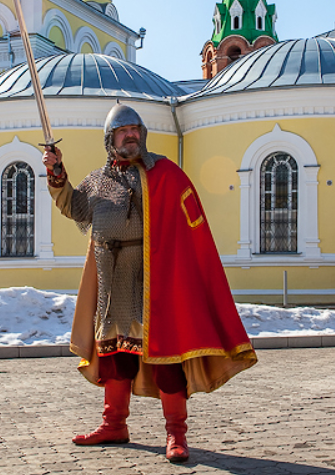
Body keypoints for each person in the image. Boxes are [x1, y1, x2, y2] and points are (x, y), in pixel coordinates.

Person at [42, 103, 256, 463]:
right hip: (112, 281)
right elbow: (75, 208)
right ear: (111, 139)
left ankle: (176, 434)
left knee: (165, 361)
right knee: (115, 358)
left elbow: (189, 231)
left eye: (135, 130)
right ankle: (114, 424)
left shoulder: (166, 174)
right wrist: (57, 172)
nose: (131, 136)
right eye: (124, 132)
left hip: (155, 281)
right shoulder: (99, 180)